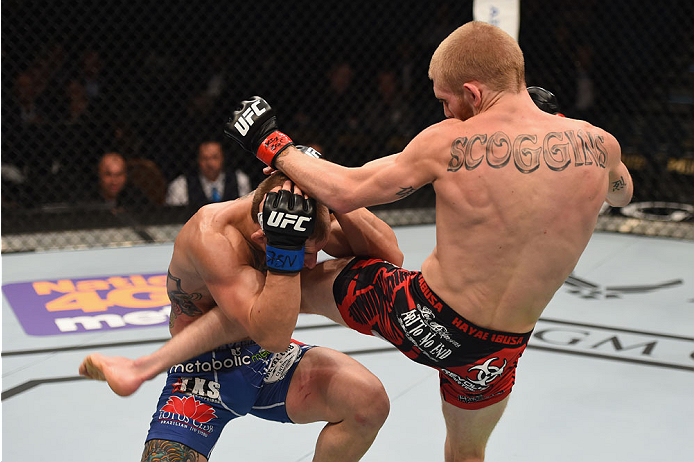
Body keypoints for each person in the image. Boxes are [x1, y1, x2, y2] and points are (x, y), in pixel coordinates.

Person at [224, 21, 633, 462]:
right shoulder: (599, 144)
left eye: (445, 100)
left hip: (425, 317)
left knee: (297, 284)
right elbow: (622, 193)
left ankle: (209, 363)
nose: (444, 113)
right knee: (466, 453)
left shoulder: (451, 141)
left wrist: (271, 144)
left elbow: (344, 190)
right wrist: (552, 122)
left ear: (473, 94)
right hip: (499, 351)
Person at [79, 166, 402, 461]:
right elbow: (272, 334)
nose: (311, 261)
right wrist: (284, 252)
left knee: (367, 403)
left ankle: (140, 367)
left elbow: (389, 258)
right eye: (305, 253)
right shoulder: (213, 234)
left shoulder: (299, 214)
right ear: (263, 237)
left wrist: (326, 183)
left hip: (264, 356)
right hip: (203, 368)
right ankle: (140, 367)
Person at [166, 140, 252, 210]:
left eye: (215, 157)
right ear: (198, 160)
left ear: (223, 158)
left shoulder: (240, 180)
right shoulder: (181, 184)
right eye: (205, 158)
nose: (210, 163)